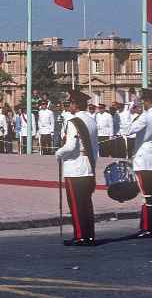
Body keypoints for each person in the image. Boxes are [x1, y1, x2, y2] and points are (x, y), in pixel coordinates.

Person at [55, 90, 98, 246]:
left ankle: (80, 235)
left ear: (76, 104)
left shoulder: (74, 121)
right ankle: (90, 235)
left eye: (71, 103)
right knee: (86, 203)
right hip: (88, 166)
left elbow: (71, 146)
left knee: (75, 203)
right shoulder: (92, 120)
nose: (69, 106)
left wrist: (58, 153)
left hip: (75, 167)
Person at [128, 88, 152, 238]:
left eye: (143, 100)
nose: (142, 103)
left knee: (146, 194)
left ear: (148, 101)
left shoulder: (145, 116)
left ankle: (147, 227)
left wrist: (135, 116)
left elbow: (130, 130)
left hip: (143, 157)